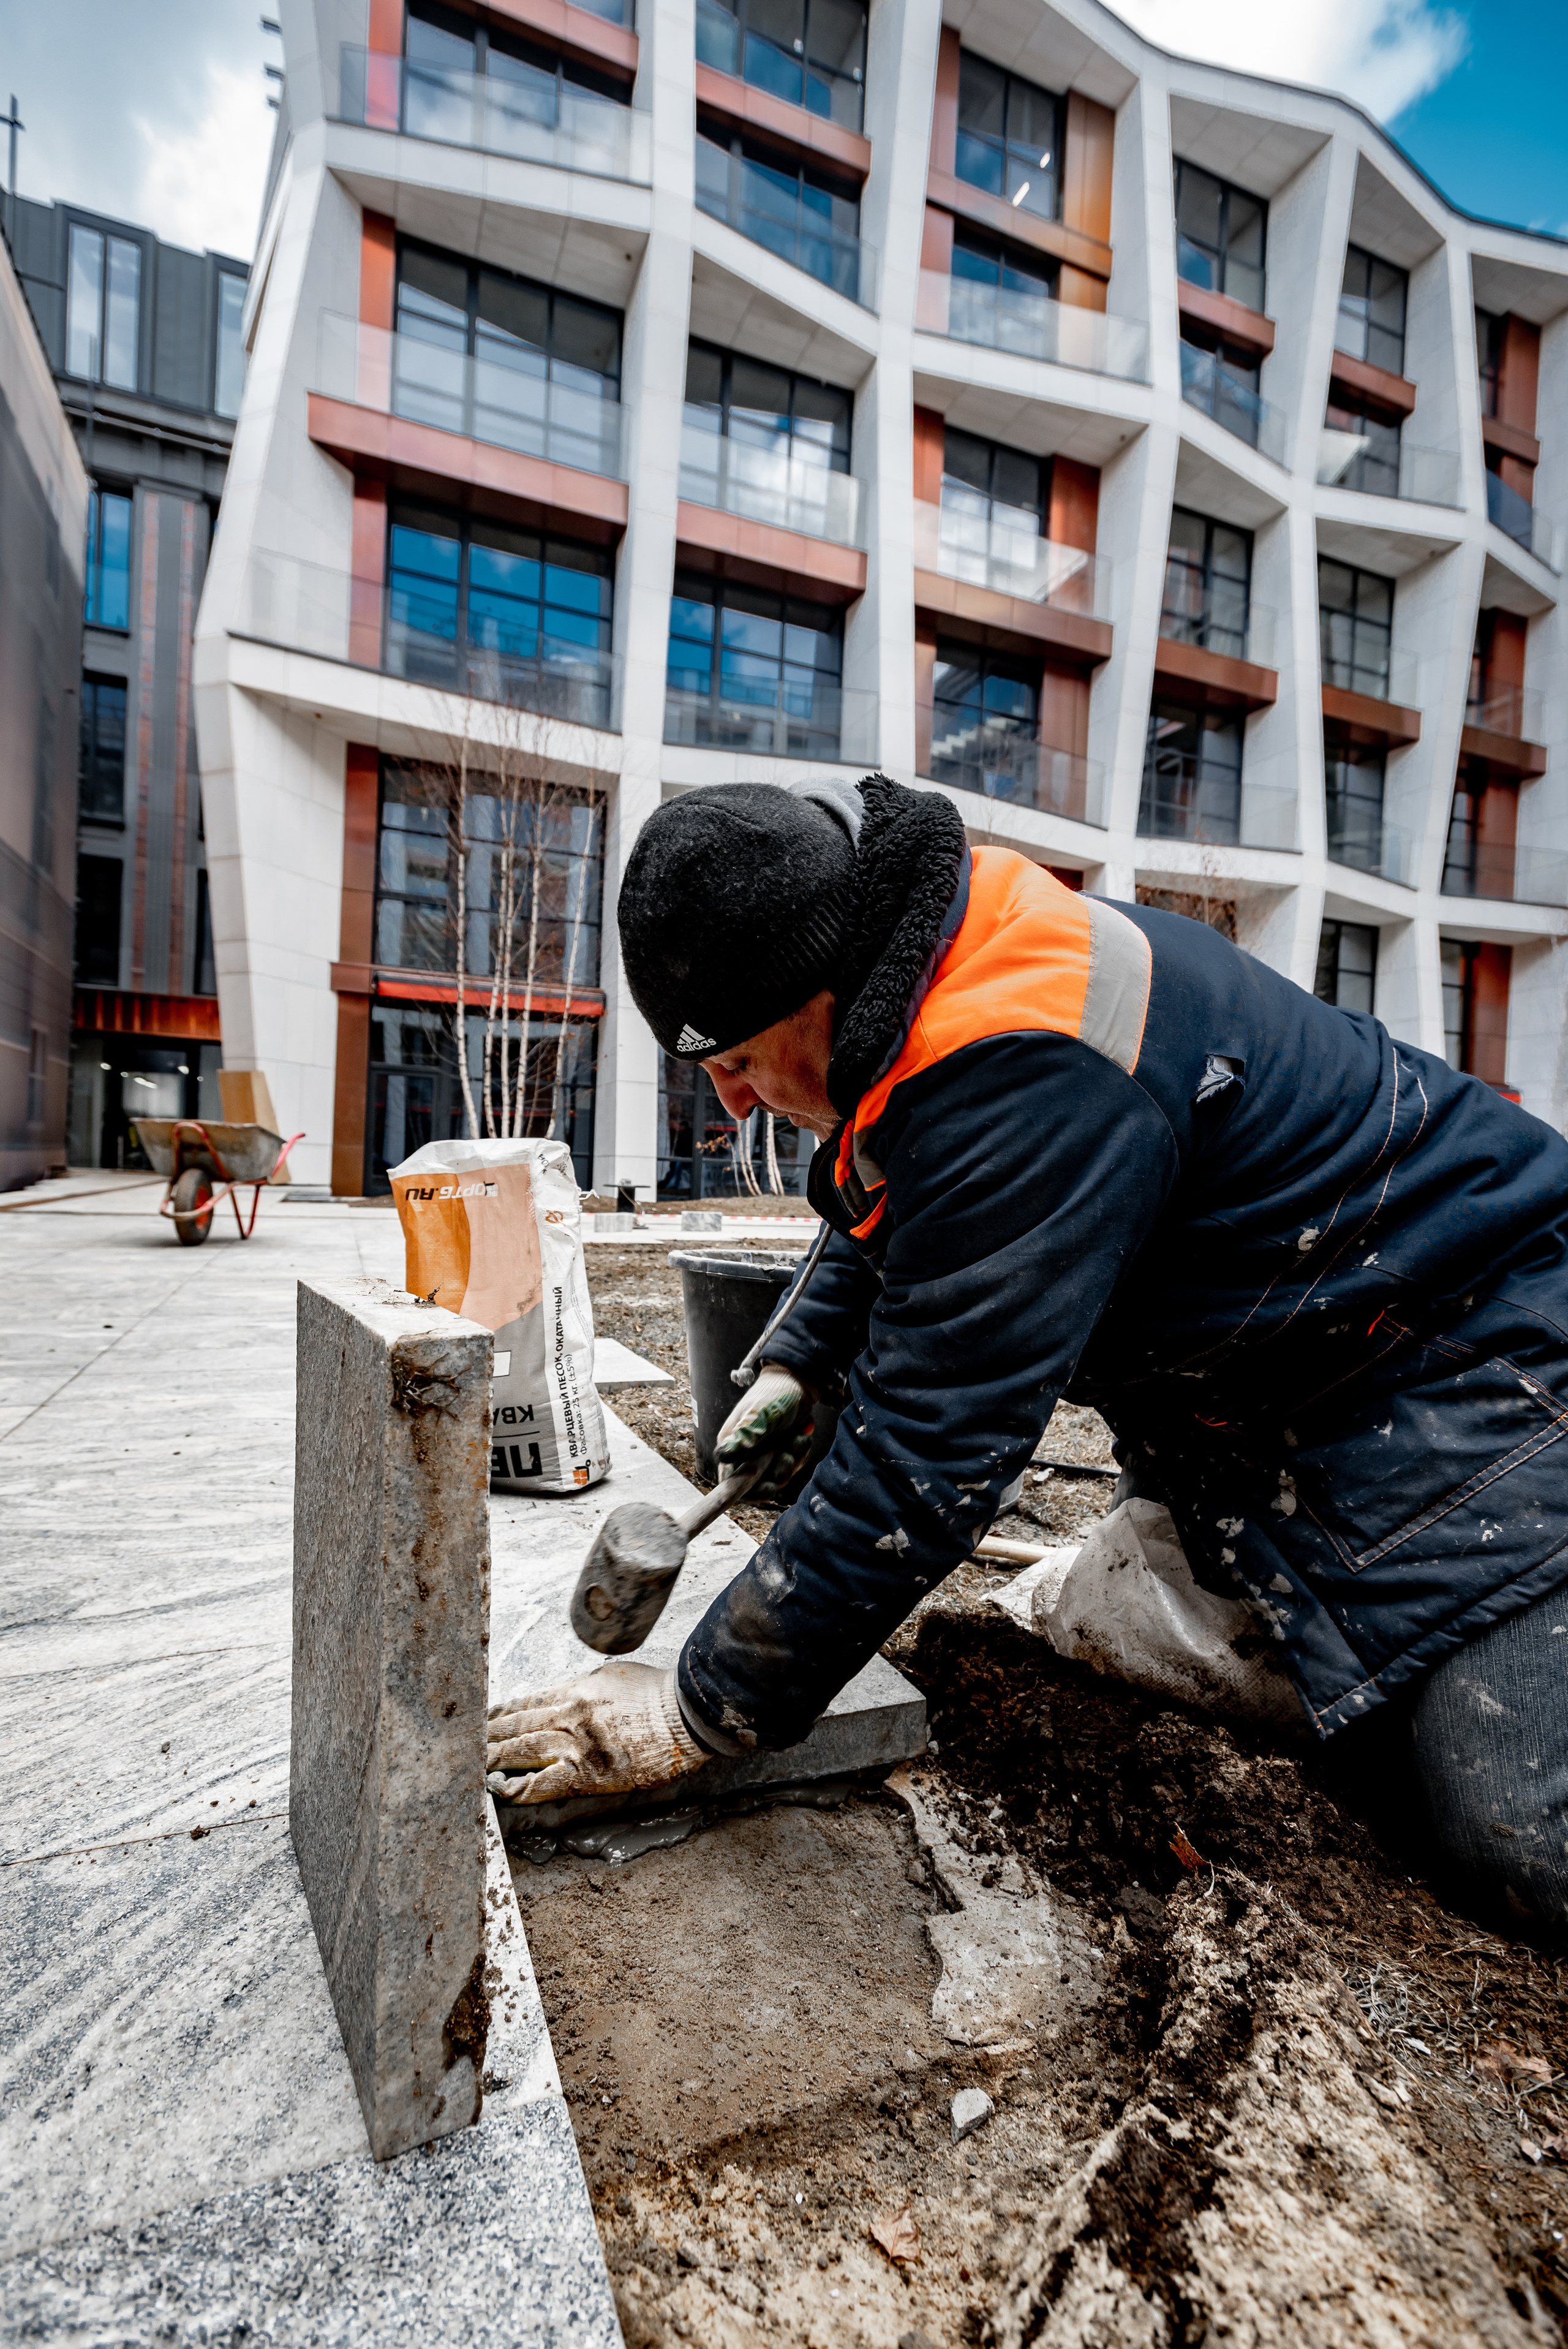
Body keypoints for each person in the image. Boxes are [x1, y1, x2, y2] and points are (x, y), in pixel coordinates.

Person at [488, 774, 1568, 1930]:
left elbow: (929, 1453)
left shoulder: (1026, 1061)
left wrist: (699, 1709)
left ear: (826, 984)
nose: (737, 1103)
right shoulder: (926, 956)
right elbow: (896, 1184)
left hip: (1480, 1368)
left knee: (1513, 1838)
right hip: (1276, 1410)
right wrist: (802, 1357)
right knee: (1134, 1636)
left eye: (744, 1059)